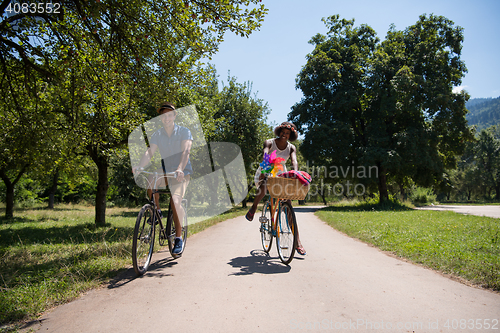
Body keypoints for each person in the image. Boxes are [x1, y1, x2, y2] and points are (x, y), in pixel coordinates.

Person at [132, 102, 193, 255]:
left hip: (182, 172)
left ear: (174, 116)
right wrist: (140, 166)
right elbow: (149, 152)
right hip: (166, 171)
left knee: (175, 201)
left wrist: (180, 169)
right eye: (163, 116)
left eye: (169, 115)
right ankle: (157, 211)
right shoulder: (157, 134)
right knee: (151, 179)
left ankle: (178, 238)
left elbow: (186, 151)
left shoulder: (184, 132)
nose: (166, 118)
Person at [245, 121, 306, 255]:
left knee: (288, 203)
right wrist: (264, 171)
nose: (284, 135)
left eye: (287, 133)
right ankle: (254, 207)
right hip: (266, 168)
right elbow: (265, 155)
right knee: (266, 183)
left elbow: (294, 161)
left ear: (291, 135)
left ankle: (297, 242)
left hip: (281, 173)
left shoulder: (291, 148)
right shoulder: (269, 142)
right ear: (279, 132)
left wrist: (295, 173)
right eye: (283, 132)